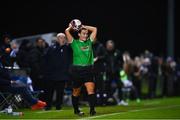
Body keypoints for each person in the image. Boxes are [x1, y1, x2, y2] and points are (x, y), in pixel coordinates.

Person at [65, 21, 97, 116]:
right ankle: (76, 110)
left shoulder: (89, 42)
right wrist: (71, 26)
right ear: (79, 34)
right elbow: (66, 31)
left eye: (87, 34)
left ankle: (92, 110)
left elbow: (95, 29)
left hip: (88, 70)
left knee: (90, 90)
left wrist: (83, 26)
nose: (86, 35)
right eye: (83, 33)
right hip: (77, 71)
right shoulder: (74, 43)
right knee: (76, 92)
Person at [43, 33, 72, 110]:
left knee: (60, 92)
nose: (63, 39)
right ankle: (48, 105)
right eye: (61, 38)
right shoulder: (51, 47)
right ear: (57, 39)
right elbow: (45, 59)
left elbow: (75, 50)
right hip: (51, 74)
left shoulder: (67, 48)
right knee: (50, 92)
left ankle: (58, 105)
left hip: (62, 74)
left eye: (64, 38)